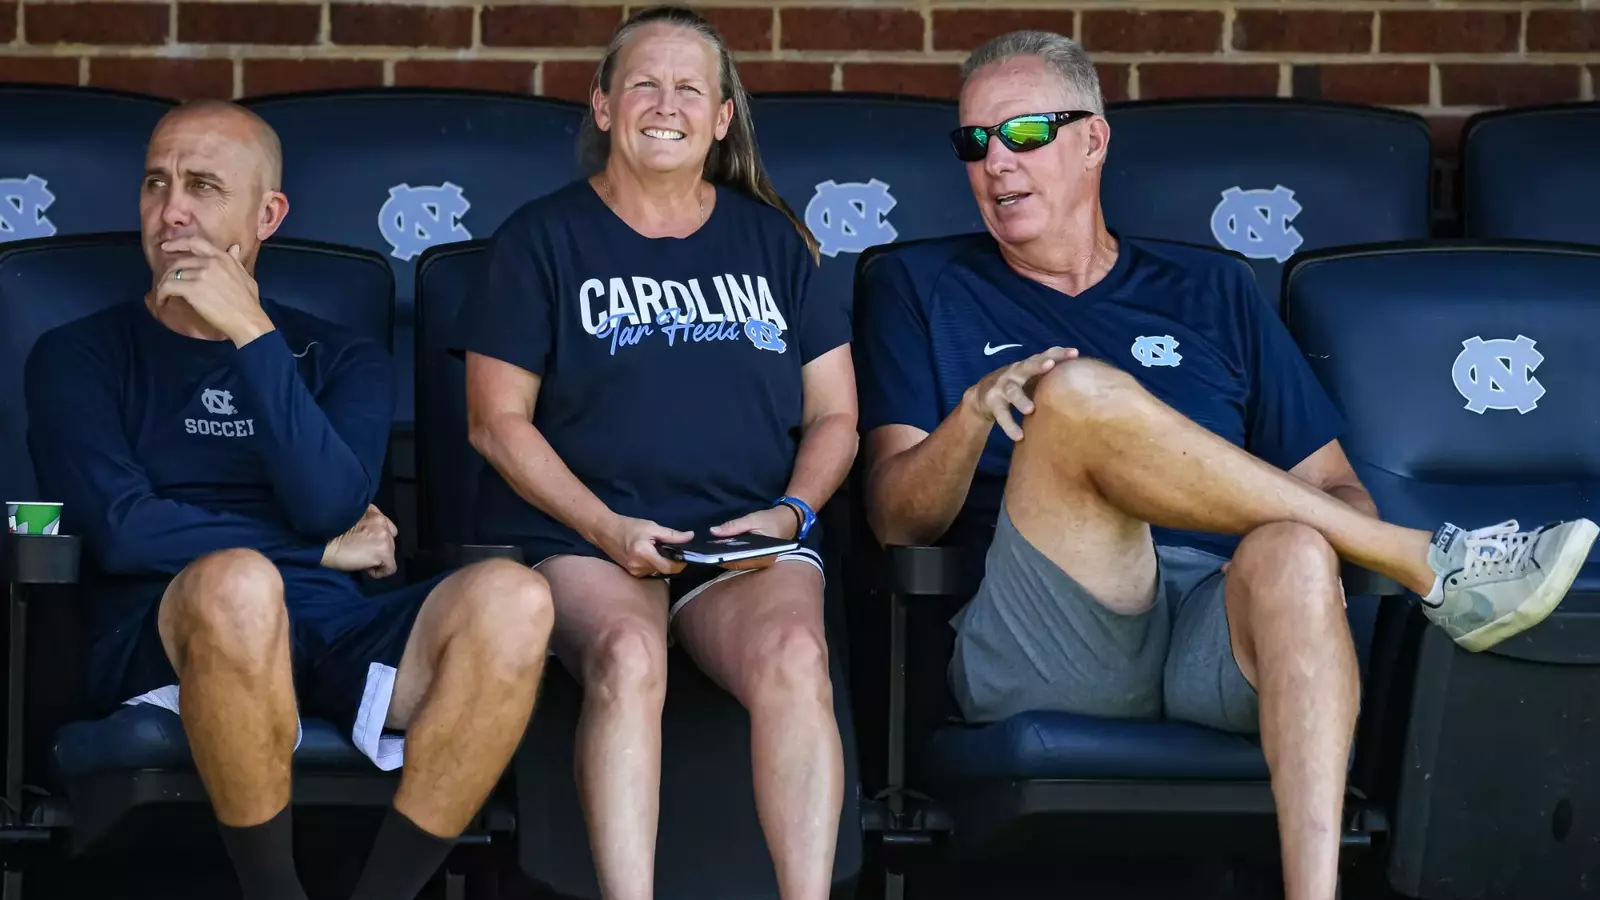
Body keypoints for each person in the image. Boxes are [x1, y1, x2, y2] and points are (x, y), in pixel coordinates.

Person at [854, 30, 1598, 900]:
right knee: (1077, 394)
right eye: (973, 142)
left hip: (1213, 630)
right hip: (1052, 637)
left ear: (1093, 140)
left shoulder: (1212, 288)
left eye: (1022, 134)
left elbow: (1332, 484)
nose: (994, 163)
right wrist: (977, 412)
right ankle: (1426, 560)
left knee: (1293, 548)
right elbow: (896, 517)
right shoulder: (920, 283)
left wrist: (1288, 527)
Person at [24, 100, 554, 900]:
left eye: (203, 186)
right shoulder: (79, 354)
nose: (172, 211)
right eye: (156, 185)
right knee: (238, 582)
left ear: (267, 214)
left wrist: (253, 336)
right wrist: (315, 554)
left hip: (334, 629)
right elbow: (124, 533)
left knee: (517, 599)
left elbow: (328, 504)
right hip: (163, 634)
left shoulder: (340, 355)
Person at [454, 7, 856, 900]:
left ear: (721, 118)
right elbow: (495, 421)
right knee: (630, 658)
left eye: (688, 88)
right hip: (585, 535)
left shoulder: (775, 242)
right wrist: (606, 526)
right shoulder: (541, 238)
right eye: (642, 83)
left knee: (797, 653)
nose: (663, 104)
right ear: (602, 106)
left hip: (742, 539)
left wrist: (790, 515)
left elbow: (835, 418)